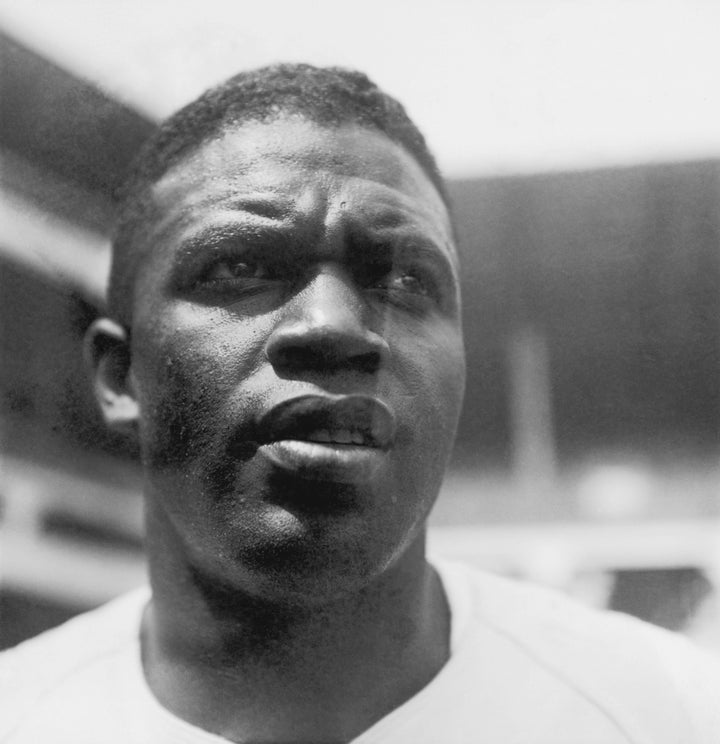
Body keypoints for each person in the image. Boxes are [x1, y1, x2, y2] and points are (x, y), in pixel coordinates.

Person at [1, 63, 718, 744]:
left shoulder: (671, 709)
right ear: (120, 376)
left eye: (406, 279)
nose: (333, 325)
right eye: (240, 266)